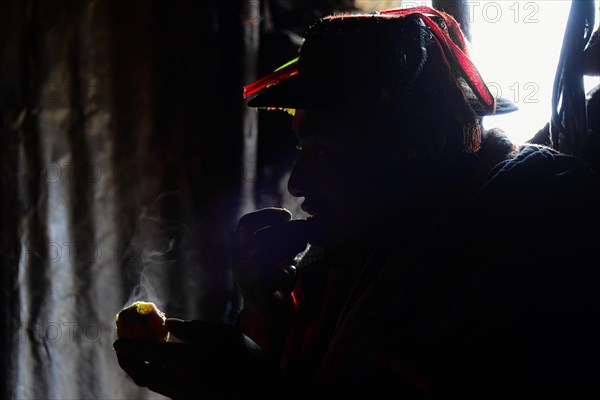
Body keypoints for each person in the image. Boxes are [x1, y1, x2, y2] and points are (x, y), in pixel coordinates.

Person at [113, 6, 600, 399]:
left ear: (420, 143)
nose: (299, 183)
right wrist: (267, 309)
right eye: (301, 150)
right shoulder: (364, 250)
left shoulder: (540, 227)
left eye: (324, 152)